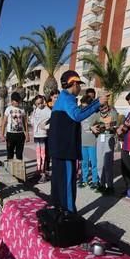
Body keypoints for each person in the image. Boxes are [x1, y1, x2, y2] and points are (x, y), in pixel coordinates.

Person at [48, 71, 106, 213]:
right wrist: (97, 102)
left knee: (58, 184)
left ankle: (58, 213)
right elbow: (77, 115)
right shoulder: (67, 98)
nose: (80, 89)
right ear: (74, 84)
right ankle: (69, 216)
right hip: (65, 151)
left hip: (58, 150)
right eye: (79, 85)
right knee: (67, 185)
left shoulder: (61, 99)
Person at [96, 102, 119, 195]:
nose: (102, 109)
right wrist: (94, 128)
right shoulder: (97, 114)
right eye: (100, 107)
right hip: (99, 138)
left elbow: (116, 127)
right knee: (100, 163)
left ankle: (110, 186)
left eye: (104, 106)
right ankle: (101, 184)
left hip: (109, 137)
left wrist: (111, 127)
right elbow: (92, 125)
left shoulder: (113, 113)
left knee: (108, 164)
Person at [79, 95, 101, 188]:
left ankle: (95, 180)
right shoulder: (80, 114)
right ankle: (84, 180)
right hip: (82, 142)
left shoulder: (95, 114)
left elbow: (100, 125)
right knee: (84, 163)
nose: (83, 108)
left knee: (93, 163)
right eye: (82, 106)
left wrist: (96, 128)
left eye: (85, 106)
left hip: (92, 142)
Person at [1, 92, 28, 162]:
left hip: (20, 135)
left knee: (19, 154)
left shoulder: (22, 109)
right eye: (16, 101)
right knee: (10, 154)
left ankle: (18, 171)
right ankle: (10, 171)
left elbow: (25, 122)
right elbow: (4, 122)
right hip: (10, 134)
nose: (18, 102)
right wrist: (2, 135)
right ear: (12, 101)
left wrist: (27, 134)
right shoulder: (8, 109)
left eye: (19, 100)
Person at [31, 95, 52, 182]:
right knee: (38, 155)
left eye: (40, 103)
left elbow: (53, 120)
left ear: (43, 101)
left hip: (43, 135)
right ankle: (38, 171)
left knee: (43, 155)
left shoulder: (47, 110)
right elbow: (33, 119)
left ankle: (44, 173)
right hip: (36, 135)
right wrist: (32, 122)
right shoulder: (36, 110)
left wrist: (46, 127)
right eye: (37, 104)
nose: (39, 105)